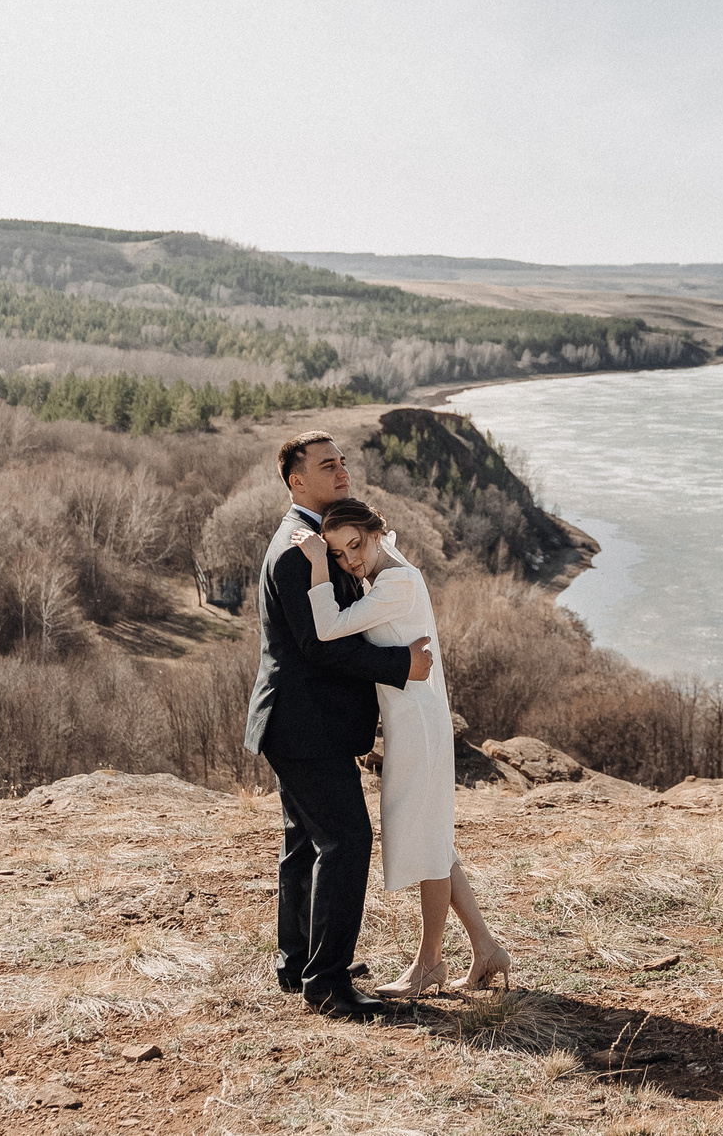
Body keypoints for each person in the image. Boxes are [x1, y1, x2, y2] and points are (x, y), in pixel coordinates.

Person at [244, 431, 432, 1022]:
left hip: (301, 723)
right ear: (297, 481)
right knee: (346, 841)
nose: (341, 469)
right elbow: (319, 647)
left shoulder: (315, 541)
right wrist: (403, 665)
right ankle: (327, 982)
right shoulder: (296, 551)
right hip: (304, 726)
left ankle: (298, 959)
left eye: (342, 460)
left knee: (304, 843)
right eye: (327, 465)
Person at [301, 496, 514, 997]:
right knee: (432, 836)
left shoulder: (397, 582)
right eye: (337, 553)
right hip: (413, 720)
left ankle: (428, 964)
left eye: (355, 545)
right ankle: (485, 949)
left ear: (377, 532)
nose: (350, 559)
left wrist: (315, 566)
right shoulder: (389, 563)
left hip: (417, 724)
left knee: (426, 841)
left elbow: (329, 627)